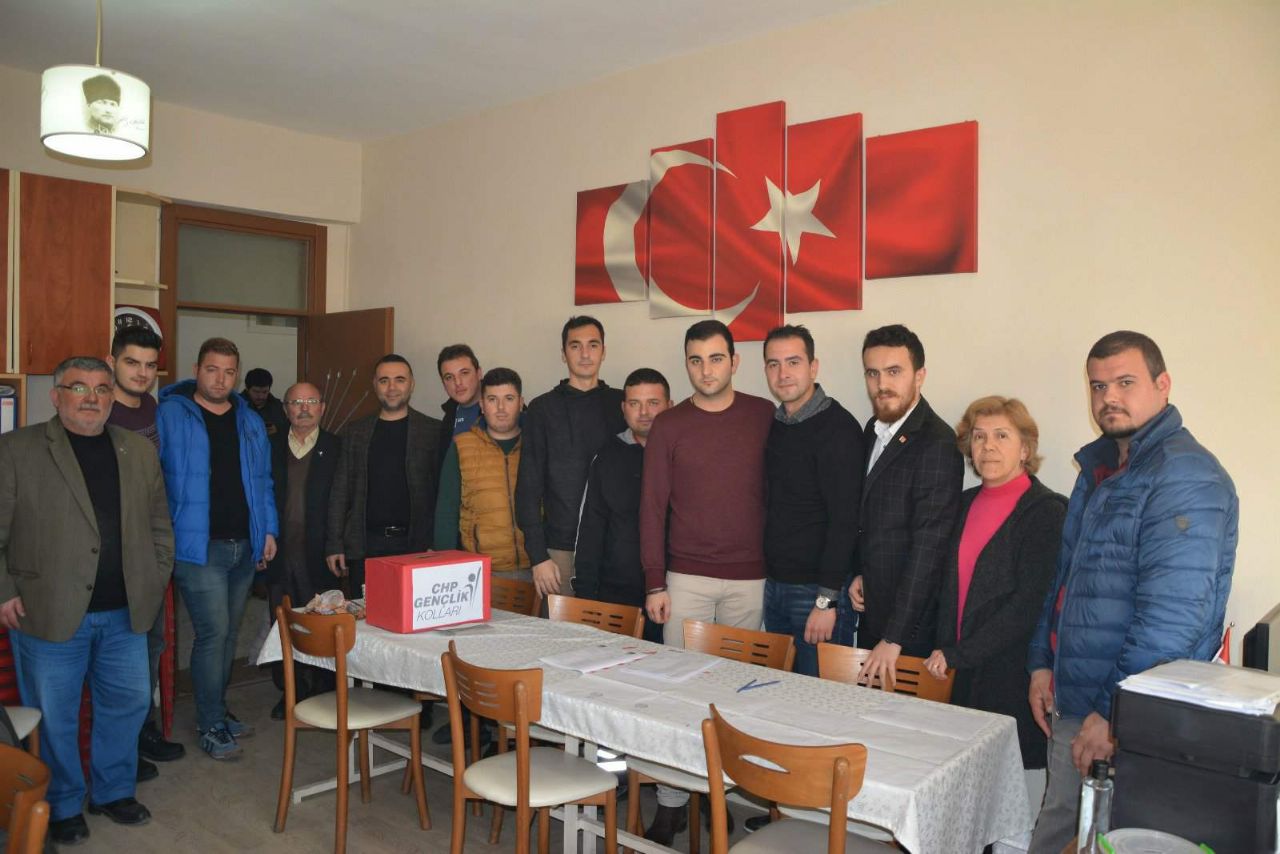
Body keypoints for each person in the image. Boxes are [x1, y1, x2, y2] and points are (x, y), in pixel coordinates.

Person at [1026, 332, 1238, 853]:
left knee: (1110, 840)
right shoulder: (1102, 468)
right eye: (1098, 386)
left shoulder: (1185, 474)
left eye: (1125, 382)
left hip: (1126, 716)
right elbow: (1066, 579)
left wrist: (1115, 714)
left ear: (1163, 385)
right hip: (1078, 697)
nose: (1108, 398)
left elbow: (1172, 621)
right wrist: (1041, 662)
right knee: (1060, 829)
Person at [0, 356, 174, 845]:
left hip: (125, 612)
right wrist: (4, 591)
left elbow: (160, 523)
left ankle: (113, 791)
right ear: (56, 396)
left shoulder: (138, 450)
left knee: (128, 703)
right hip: (49, 609)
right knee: (55, 715)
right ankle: (60, 804)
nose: (92, 398)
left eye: (101, 388)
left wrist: (156, 574)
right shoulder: (17, 449)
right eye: (79, 388)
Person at [640, 319, 773, 844]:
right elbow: (651, 507)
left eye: (716, 358)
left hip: (750, 579)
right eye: (696, 360)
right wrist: (655, 582)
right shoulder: (669, 425)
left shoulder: (763, 416)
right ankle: (673, 802)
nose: (706, 369)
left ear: (734, 362)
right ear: (687, 365)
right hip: (685, 578)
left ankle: (718, 797)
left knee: (736, 697)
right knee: (681, 696)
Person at [924, 396, 1066, 844]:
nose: (988, 446)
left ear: (1025, 448)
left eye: (1002, 435)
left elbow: (1027, 606)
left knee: (1009, 813)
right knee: (964, 800)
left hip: (1011, 676)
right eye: (979, 437)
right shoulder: (963, 503)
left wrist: (959, 653)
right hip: (960, 675)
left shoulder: (1046, 511)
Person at [157, 337, 278, 761]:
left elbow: (263, 481)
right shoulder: (170, 414)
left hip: (243, 544)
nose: (220, 379)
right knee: (213, 634)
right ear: (197, 370)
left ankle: (217, 708)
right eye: (212, 370)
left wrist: (268, 530)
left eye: (229, 372)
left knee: (227, 635)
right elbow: (155, 478)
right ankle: (209, 723)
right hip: (198, 547)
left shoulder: (249, 419)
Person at [851, 324, 963, 689]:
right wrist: (859, 572)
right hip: (874, 612)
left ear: (920, 376)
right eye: (872, 373)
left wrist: (894, 637)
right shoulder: (873, 428)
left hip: (909, 633)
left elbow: (929, 548)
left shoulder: (937, 442)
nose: (881, 384)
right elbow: (872, 518)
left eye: (894, 371)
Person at [761, 324, 863, 677]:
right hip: (775, 586)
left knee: (819, 700)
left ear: (813, 367)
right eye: (773, 364)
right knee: (778, 693)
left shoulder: (838, 429)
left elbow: (845, 520)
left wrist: (826, 601)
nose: (783, 373)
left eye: (793, 362)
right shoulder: (776, 424)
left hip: (816, 594)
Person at [106, 328, 186, 778]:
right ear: (112, 362)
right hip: (111, 557)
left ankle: (143, 731)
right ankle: (120, 748)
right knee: (119, 657)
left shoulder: (154, 408)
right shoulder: (100, 410)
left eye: (150, 365)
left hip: (150, 554)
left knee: (152, 646)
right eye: (132, 362)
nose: (141, 373)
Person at [516, 316, 625, 599]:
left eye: (593, 345)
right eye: (575, 346)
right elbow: (528, 488)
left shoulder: (622, 405)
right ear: (564, 354)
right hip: (559, 552)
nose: (585, 354)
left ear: (604, 351)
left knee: (616, 628)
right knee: (560, 628)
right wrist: (538, 557)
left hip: (614, 549)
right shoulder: (542, 409)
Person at [326, 354, 442, 597]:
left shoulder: (433, 431)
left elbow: (442, 495)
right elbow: (340, 491)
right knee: (366, 614)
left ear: (411, 384)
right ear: (374, 384)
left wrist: (438, 544)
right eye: (384, 380)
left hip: (417, 546)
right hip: (366, 545)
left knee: (412, 615)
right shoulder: (355, 432)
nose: (392, 388)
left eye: (400, 380)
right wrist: (335, 543)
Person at [574, 368, 672, 644]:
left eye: (653, 403)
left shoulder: (684, 454)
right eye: (635, 403)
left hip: (674, 593)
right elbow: (591, 529)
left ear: (670, 405)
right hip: (616, 595)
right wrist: (586, 596)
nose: (644, 412)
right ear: (623, 408)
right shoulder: (606, 457)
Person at [267, 381, 341, 720]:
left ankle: (325, 689)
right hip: (280, 551)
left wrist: (337, 543)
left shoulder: (337, 447)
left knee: (322, 623)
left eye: (311, 401)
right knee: (283, 622)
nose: (304, 408)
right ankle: (291, 690)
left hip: (321, 552)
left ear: (322, 407)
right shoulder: (269, 447)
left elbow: (345, 500)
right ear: (286, 409)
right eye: (296, 402)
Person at [433, 367, 530, 574]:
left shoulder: (537, 443)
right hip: (480, 571)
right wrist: (444, 567)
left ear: (521, 403)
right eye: (492, 399)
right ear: (482, 405)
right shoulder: (461, 446)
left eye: (509, 398)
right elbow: (446, 511)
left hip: (537, 567)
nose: (501, 408)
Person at [435, 344, 483, 474]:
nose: (458, 382)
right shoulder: (448, 418)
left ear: (479, 373)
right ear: (443, 383)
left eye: (464, 373)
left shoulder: (505, 408)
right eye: (449, 377)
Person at [241, 367, 289, 439]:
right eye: (256, 392)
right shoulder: (236, 405)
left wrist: (277, 430)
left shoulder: (279, 407)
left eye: (265, 392)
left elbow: (288, 431)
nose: (261, 396)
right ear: (247, 389)